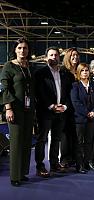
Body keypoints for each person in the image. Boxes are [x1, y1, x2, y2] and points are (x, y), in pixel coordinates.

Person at [0, 37, 35, 186]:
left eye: (25, 48)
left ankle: (23, 173)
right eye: (19, 48)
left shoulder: (29, 66)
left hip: (29, 109)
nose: (22, 50)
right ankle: (15, 176)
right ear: (15, 50)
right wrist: (8, 108)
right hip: (15, 109)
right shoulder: (9, 66)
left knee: (27, 141)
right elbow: (4, 89)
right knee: (15, 142)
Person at [35, 47, 70, 177]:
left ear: (59, 57)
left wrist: (64, 107)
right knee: (42, 139)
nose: (53, 57)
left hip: (61, 111)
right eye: (51, 55)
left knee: (56, 139)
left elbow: (67, 93)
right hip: (46, 112)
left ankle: (54, 164)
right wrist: (51, 106)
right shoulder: (40, 73)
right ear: (46, 58)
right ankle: (40, 166)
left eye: (56, 55)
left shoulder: (63, 74)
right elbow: (39, 93)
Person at [71, 63, 94, 173]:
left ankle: (88, 161)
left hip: (92, 119)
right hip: (80, 120)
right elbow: (76, 103)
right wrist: (87, 113)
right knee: (79, 143)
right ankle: (80, 165)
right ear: (78, 72)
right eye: (82, 70)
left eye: (86, 70)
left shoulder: (93, 85)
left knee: (89, 142)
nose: (85, 72)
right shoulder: (75, 86)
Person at [60, 47, 80, 167]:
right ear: (68, 57)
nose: (75, 57)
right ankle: (65, 158)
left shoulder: (79, 71)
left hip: (77, 109)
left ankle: (73, 157)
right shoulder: (63, 71)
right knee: (65, 135)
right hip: (66, 108)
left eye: (77, 55)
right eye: (72, 55)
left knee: (74, 134)